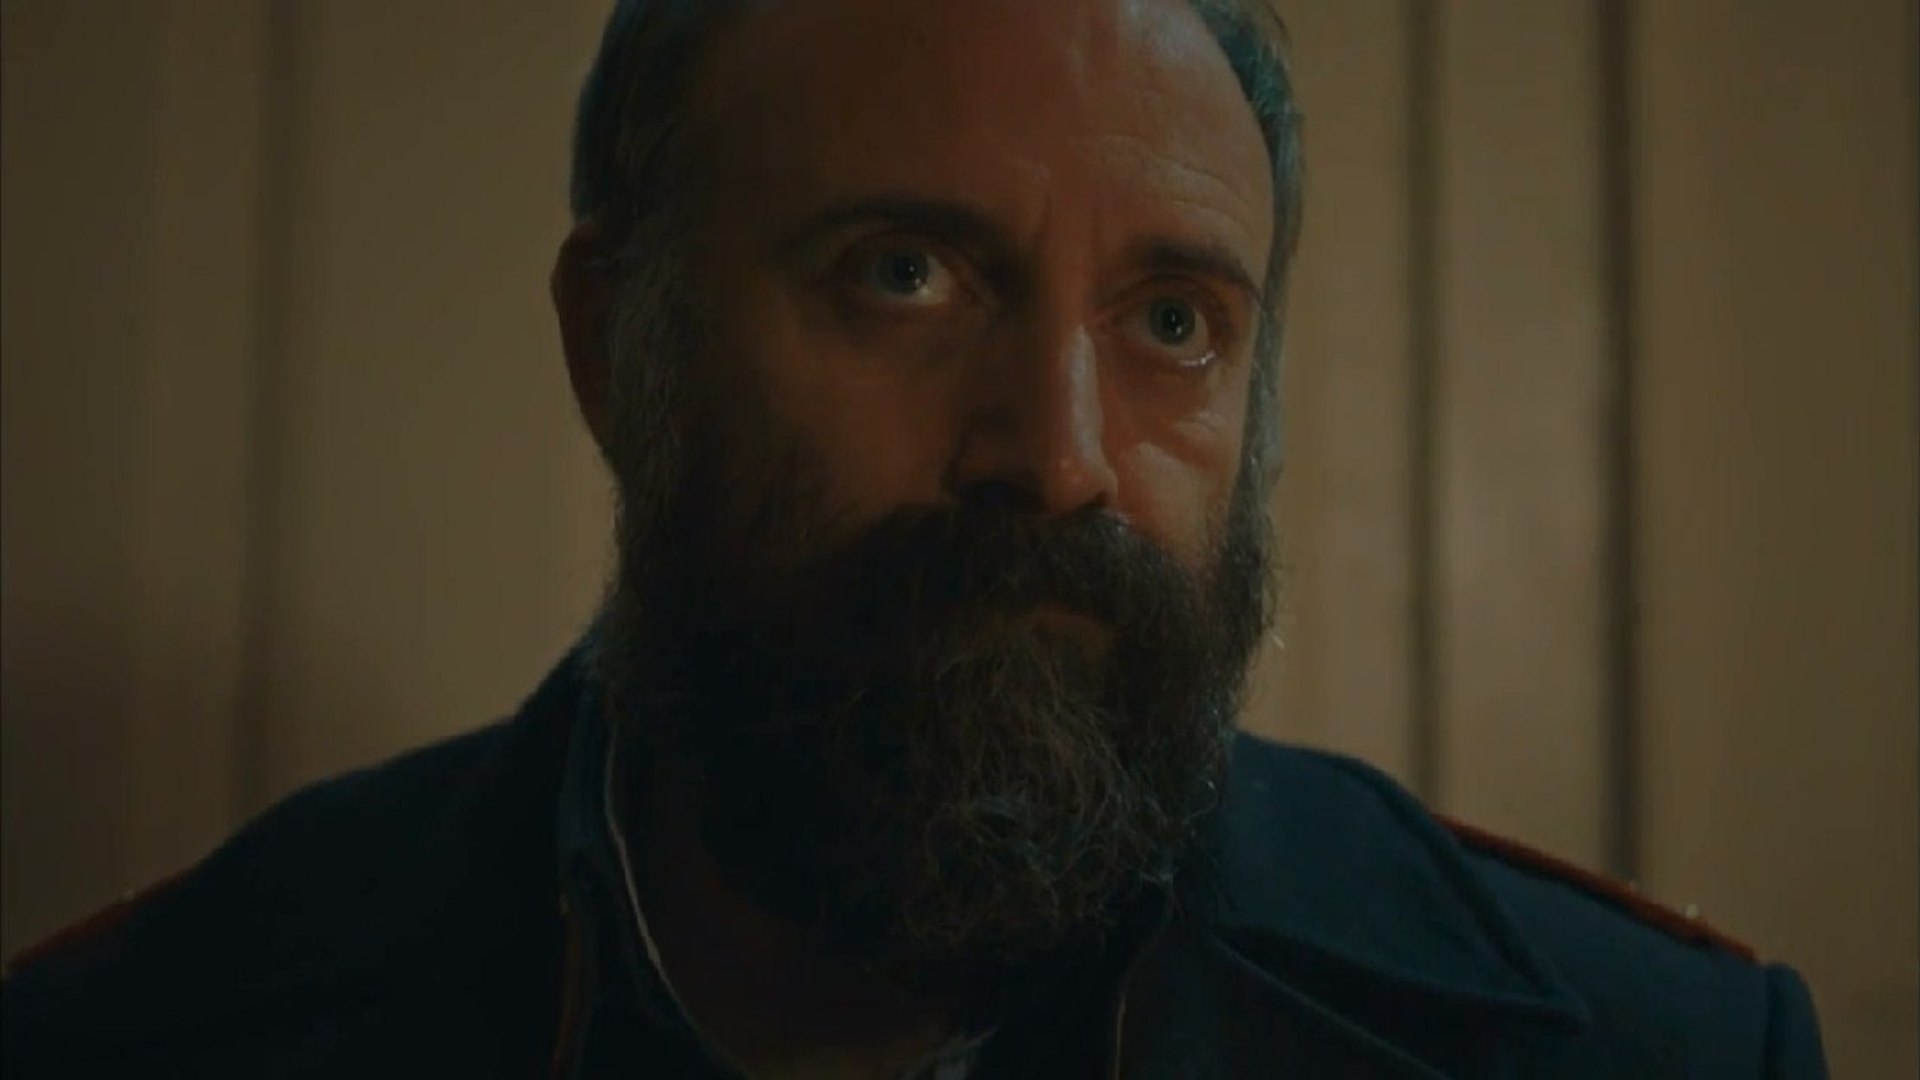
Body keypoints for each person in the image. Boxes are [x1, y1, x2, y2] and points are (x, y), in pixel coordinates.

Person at [1, 1, 1829, 1076]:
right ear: (615, 346)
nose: (1060, 459)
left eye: (1173, 320)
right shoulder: (137, 1042)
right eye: (904, 276)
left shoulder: (1640, 1054)